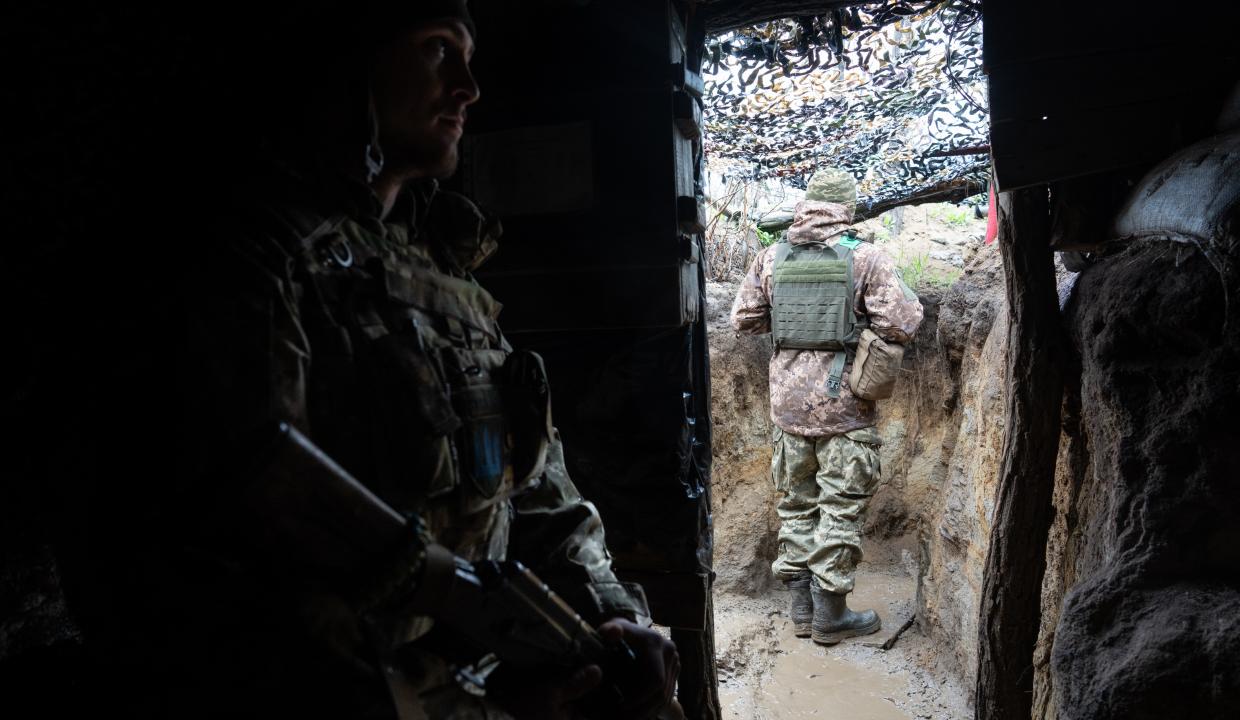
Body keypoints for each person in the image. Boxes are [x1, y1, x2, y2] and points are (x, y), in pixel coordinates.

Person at [60, 3, 679, 718]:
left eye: (468, 56)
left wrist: (610, 612)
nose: (469, 86)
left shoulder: (439, 270)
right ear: (348, 60)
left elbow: (530, 482)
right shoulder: (248, 255)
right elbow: (220, 571)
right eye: (437, 49)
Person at [730, 168, 924, 644]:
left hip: (788, 409)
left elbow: (745, 320)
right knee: (839, 508)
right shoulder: (866, 257)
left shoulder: (771, 257)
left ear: (806, 206)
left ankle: (801, 611)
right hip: (845, 410)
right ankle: (829, 615)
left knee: (796, 504)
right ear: (846, 209)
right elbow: (901, 323)